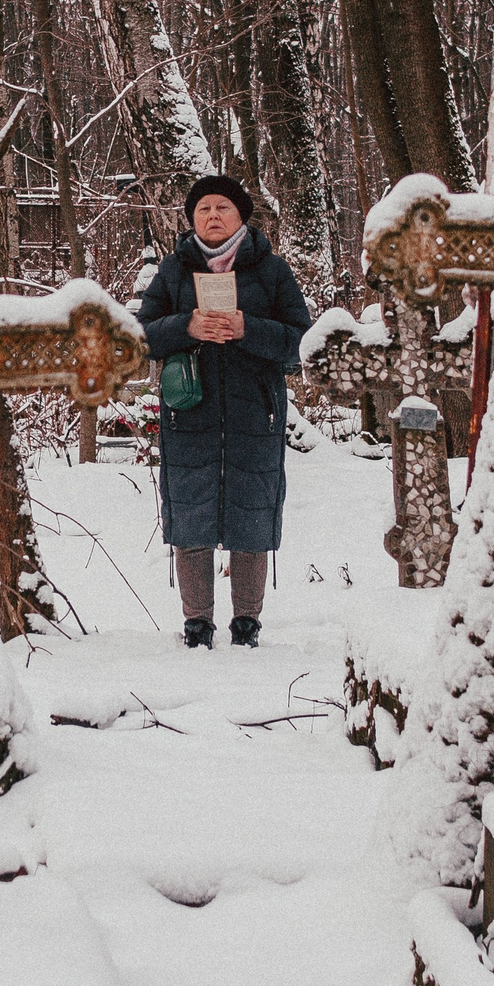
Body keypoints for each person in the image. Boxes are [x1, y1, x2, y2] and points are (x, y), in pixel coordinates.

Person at [139, 175, 315, 648]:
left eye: (222, 207)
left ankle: (247, 624)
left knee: (251, 514)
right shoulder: (174, 270)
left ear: (241, 216)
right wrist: (188, 324)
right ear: (192, 219)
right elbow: (140, 335)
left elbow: (302, 342)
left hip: (255, 415)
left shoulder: (272, 271)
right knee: (191, 513)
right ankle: (197, 624)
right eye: (203, 209)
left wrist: (246, 329)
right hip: (188, 413)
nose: (212, 216)